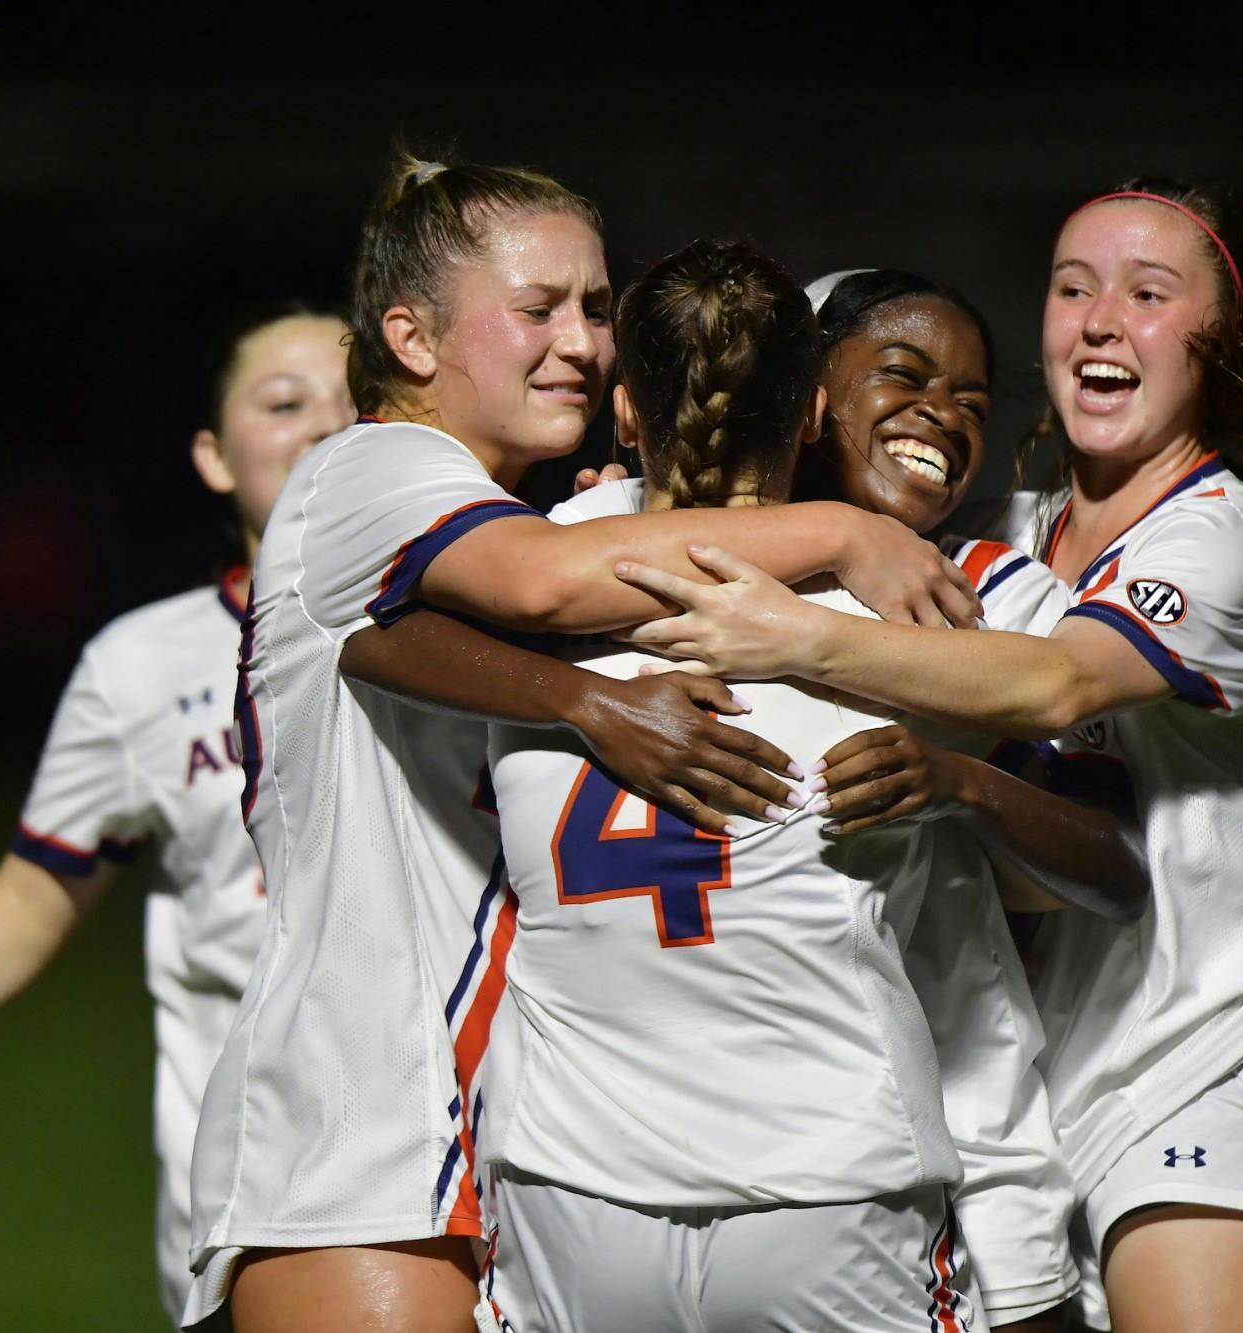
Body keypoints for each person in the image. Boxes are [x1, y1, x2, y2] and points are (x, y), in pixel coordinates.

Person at [185, 154, 986, 1333]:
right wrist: (840, 531)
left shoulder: (534, 509)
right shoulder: (373, 468)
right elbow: (543, 587)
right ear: (410, 339)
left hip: (521, 1133)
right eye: (536, 309)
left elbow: (445, 622)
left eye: (598, 309)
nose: (581, 342)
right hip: (364, 1115)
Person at [614, 181, 1243, 1331]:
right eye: (1071, 287)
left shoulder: (1214, 538)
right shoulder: (999, 539)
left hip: (1197, 1054)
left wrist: (798, 631)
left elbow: (1056, 682)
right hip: (1008, 1091)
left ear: (1208, 341)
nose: (1096, 317)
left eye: (1145, 292)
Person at [473, 241, 1152, 1331]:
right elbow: (1115, 863)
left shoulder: (527, 565)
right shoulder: (941, 601)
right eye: (901, 375)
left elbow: (374, 631)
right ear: (813, 408)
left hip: (566, 1172)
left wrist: (581, 699)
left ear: (626, 412)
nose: (939, 413)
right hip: (834, 1164)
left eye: (969, 396)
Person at [0, 304, 359, 1324]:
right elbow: (40, 884)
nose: (320, 423)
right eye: (282, 401)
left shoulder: (494, 621)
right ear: (212, 456)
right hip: (251, 1179)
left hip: (471, 1152)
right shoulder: (141, 665)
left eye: (351, 403)